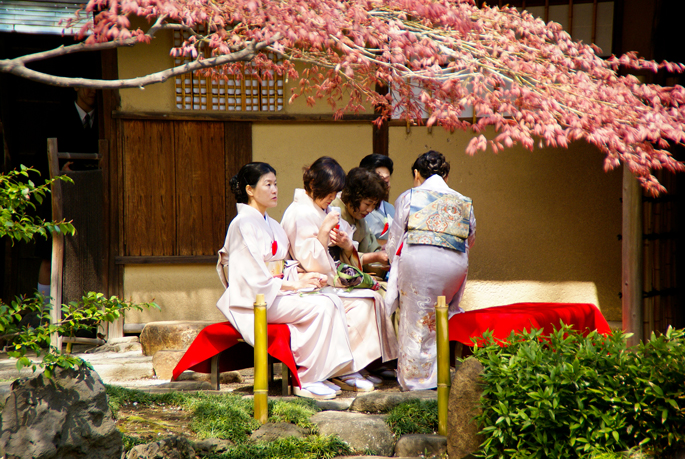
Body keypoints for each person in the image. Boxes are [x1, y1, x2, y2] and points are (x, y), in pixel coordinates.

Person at [216, 162, 353, 400]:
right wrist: (294, 284)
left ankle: (321, 374)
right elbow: (254, 277)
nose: (274, 190)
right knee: (320, 307)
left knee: (330, 299)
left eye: (276, 184)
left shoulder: (272, 224)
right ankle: (304, 378)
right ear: (250, 190)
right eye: (267, 184)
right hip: (254, 303)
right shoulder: (242, 224)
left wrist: (303, 276)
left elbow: (282, 266)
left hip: (273, 292)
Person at [281, 157, 398, 390]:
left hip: (327, 278)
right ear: (314, 186)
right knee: (362, 304)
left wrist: (346, 244)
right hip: (308, 282)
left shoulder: (324, 209)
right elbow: (311, 261)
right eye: (329, 193)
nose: (332, 198)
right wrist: (324, 231)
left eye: (335, 193)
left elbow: (348, 245)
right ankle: (342, 369)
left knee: (373, 299)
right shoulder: (298, 213)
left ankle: (355, 365)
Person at [385, 150, 476, 391]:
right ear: (445, 176)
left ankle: (415, 381)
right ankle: (439, 375)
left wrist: (390, 258)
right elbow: (471, 236)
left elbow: (394, 240)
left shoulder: (410, 196)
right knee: (439, 316)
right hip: (452, 264)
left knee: (414, 318)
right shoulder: (462, 200)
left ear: (417, 174)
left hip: (418, 259)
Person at [330, 167, 389, 271]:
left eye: (374, 205)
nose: (370, 210)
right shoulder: (333, 211)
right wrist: (375, 257)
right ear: (352, 196)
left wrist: (383, 255)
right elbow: (337, 257)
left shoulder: (360, 221)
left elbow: (372, 248)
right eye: (367, 204)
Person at [359, 154, 395, 244]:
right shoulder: (358, 206)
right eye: (381, 180)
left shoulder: (391, 208)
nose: (385, 184)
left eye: (387, 180)